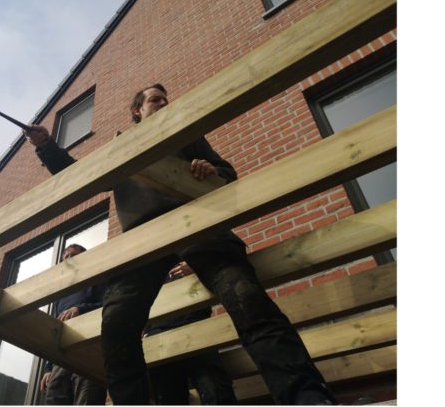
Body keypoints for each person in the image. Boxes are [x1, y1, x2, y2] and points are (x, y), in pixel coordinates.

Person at [24, 83, 336, 405]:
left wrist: (211, 171)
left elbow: (228, 175)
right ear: (137, 110)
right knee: (116, 328)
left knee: (249, 302)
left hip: (197, 228)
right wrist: (46, 145)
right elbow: (79, 174)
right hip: (143, 242)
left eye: (165, 99)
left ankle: (308, 398)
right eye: (155, 100)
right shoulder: (119, 150)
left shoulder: (186, 136)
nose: (164, 103)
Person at [144, 261, 238, 405]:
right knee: (169, 397)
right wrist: (146, 330)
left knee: (215, 391)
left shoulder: (188, 257)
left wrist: (198, 267)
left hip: (195, 325)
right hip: (159, 334)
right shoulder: (151, 268)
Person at [39, 244, 107, 405]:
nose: (68, 259)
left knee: (86, 396)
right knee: (55, 396)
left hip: (89, 347)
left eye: (73, 255)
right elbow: (54, 329)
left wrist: (80, 309)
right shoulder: (61, 294)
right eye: (65, 257)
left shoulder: (97, 279)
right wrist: (48, 368)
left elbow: (107, 305)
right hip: (63, 353)